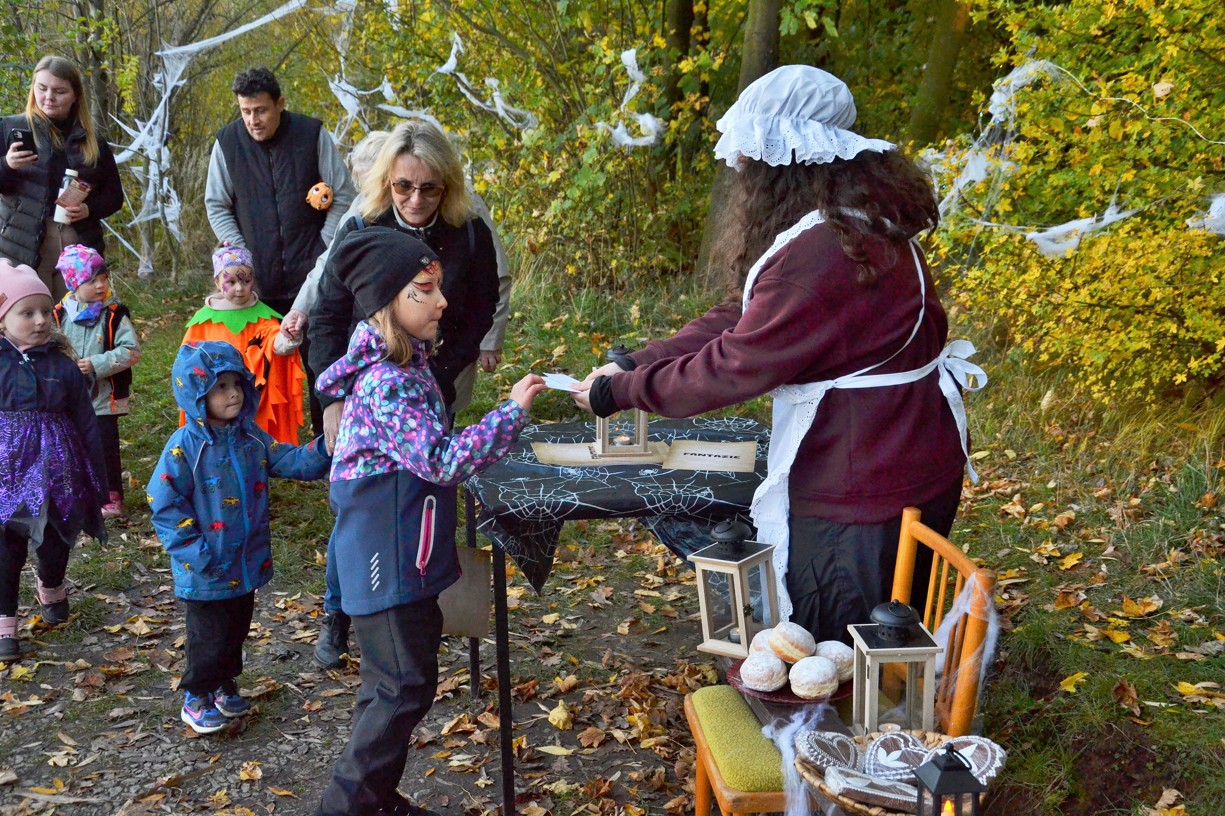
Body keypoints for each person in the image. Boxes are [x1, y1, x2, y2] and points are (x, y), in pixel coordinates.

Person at [573, 65, 986, 644]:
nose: (741, 165)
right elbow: (745, 315)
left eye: (751, 152)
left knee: (836, 650)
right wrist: (639, 362)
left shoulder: (823, 252)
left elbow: (733, 366)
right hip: (905, 452)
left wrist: (620, 392)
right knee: (888, 639)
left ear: (784, 158)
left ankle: (853, 707)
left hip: (862, 481)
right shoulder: (859, 223)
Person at [314, 227, 544, 815]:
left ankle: (374, 798)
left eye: (438, 287)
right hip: (385, 560)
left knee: (389, 684)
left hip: (398, 553)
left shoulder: (406, 366)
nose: (442, 301)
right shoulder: (390, 383)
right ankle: (346, 806)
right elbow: (439, 460)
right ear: (387, 301)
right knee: (403, 685)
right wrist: (510, 414)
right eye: (425, 289)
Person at [307, 119, 501, 666]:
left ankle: (422, 608)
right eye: (403, 186)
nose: (415, 200)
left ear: (448, 186)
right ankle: (340, 611)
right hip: (368, 394)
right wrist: (333, 399)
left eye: (429, 188)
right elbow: (327, 314)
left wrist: (439, 373)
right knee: (362, 511)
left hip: (434, 384)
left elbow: (480, 307)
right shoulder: (360, 226)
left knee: (428, 496)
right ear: (386, 182)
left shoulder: (468, 232)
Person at [147, 341, 331, 734]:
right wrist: (194, 552)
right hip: (205, 568)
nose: (233, 394)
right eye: (220, 387)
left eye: (236, 384)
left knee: (236, 629)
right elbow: (164, 502)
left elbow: (289, 460)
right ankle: (197, 695)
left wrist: (326, 448)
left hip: (244, 562)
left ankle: (224, 685)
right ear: (197, 395)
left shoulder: (251, 438)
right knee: (208, 636)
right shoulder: (185, 447)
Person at [204, 66, 356, 435]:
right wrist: (241, 258)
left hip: (313, 275)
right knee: (256, 370)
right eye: (245, 111)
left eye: (261, 110)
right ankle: (259, 444)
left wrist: (324, 246)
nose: (253, 120)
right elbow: (216, 204)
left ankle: (327, 443)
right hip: (257, 284)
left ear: (280, 104)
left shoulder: (311, 134)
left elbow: (344, 195)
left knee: (322, 363)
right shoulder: (227, 143)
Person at [0, 260, 106, 660]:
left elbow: (86, 421)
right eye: (27, 313)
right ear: (2, 319)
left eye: (46, 311)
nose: (41, 320)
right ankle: (4, 623)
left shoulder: (63, 367)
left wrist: (97, 475)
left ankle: (51, 585)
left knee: (55, 536)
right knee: (6, 547)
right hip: (5, 477)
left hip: (56, 473)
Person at [0, 55, 125, 301]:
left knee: (77, 317)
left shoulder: (93, 141)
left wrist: (88, 209)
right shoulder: (8, 128)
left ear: (75, 95)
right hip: (21, 247)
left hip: (79, 250)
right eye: (42, 88)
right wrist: (7, 164)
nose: (49, 97)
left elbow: (114, 197)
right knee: (29, 317)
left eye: (59, 91)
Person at [180, 245, 304, 444]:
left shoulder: (263, 316)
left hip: (254, 397)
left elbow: (275, 344)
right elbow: (187, 361)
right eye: (231, 282)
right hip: (216, 398)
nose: (239, 288)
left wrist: (287, 336)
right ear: (217, 282)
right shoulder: (203, 321)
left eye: (246, 281)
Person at [51, 244, 141, 519]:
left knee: (104, 447)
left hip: (103, 398)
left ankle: (111, 495)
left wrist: (97, 363)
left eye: (104, 278)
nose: (101, 286)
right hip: (69, 399)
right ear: (74, 284)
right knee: (72, 445)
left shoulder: (113, 315)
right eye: (92, 281)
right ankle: (80, 494)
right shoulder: (59, 315)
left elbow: (131, 350)